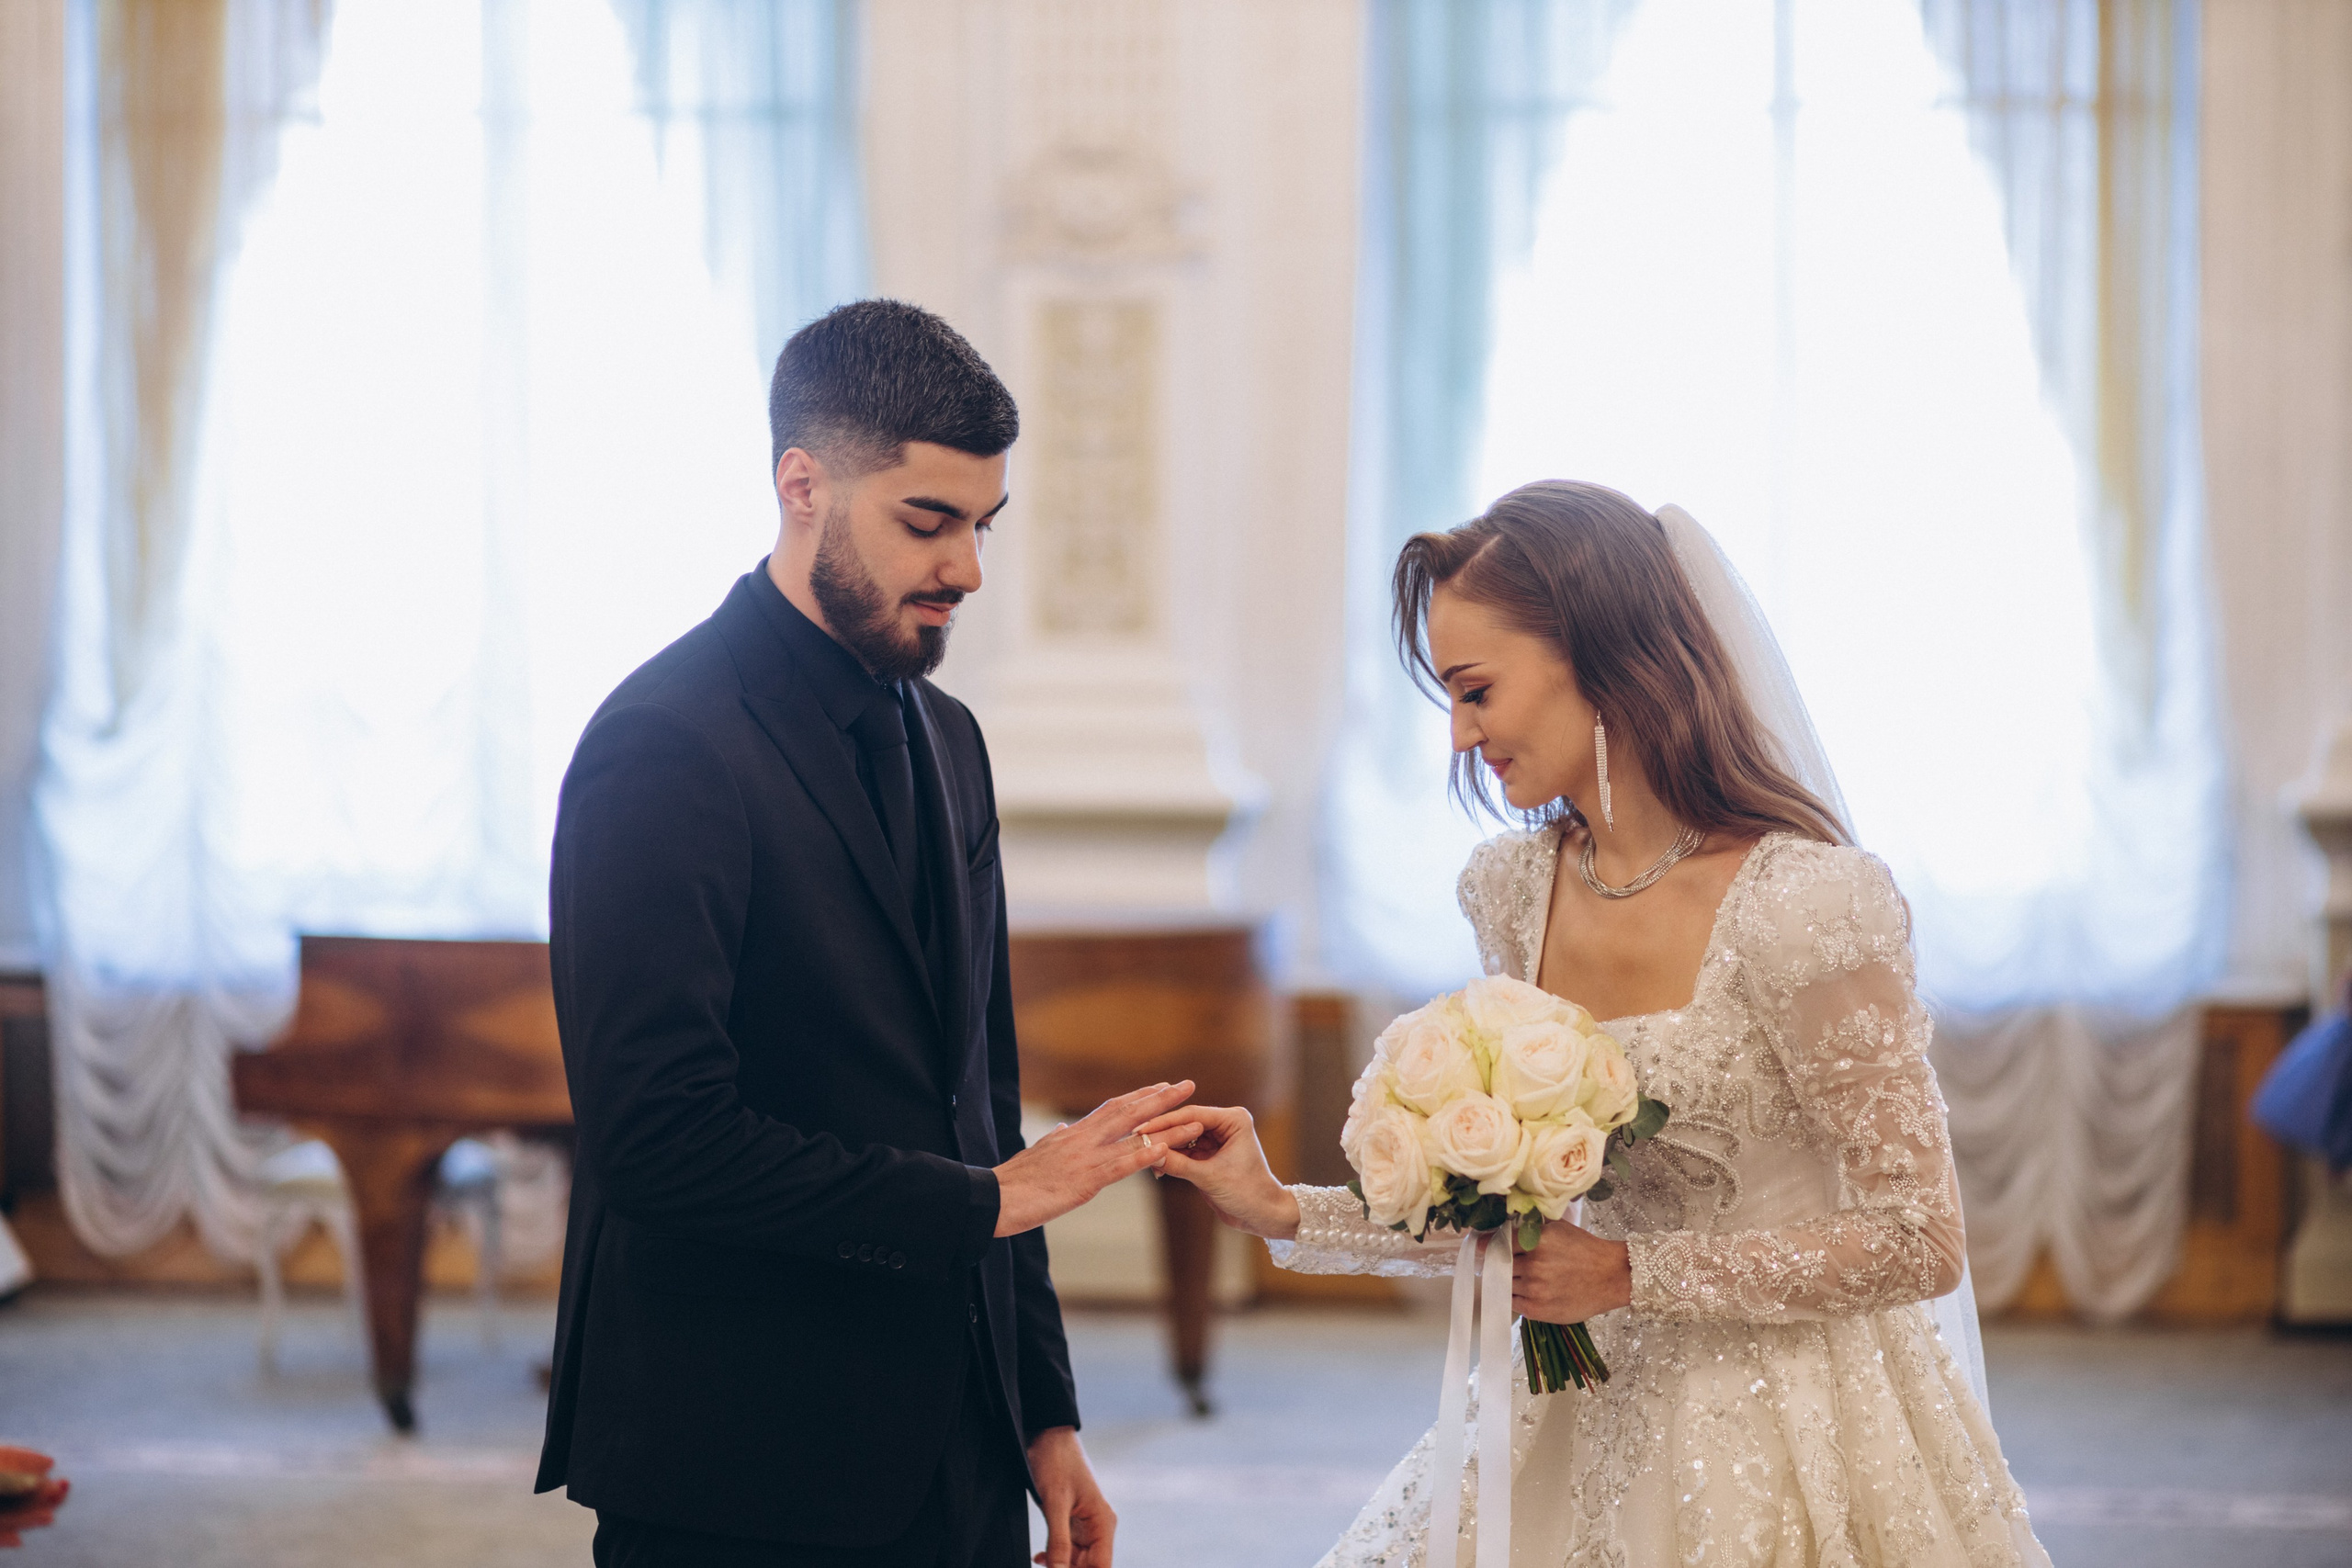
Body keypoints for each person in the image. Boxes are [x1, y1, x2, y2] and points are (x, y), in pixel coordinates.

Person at [1145, 481, 2051, 1566]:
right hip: (1581, 1399)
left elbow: (1920, 1239)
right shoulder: (1510, 893)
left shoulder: (1810, 903)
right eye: (1448, 698)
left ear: (1602, 656)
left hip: (1798, 1417)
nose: (1460, 734)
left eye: (1476, 690)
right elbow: (1517, 1221)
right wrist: (1283, 1209)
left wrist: (1630, 1277)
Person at [535, 299, 1199, 1568]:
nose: (967, 567)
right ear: (803, 486)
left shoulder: (949, 738)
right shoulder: (663, 743)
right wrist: (980, 1200)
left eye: (982, 524)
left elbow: (980, 1112)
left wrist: (1044, 1412)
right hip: (737, 1458)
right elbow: (656, 1141)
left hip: (959, 1447)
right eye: (927, 521)